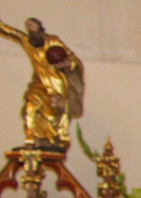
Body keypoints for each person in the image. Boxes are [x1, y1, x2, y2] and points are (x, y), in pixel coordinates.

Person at [0, 16, 83, 147]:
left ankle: (55, 139)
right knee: (30, 108)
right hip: (38, 83)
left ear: (39, 27)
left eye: (32, 25)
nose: (29, 29)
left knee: (53, 114)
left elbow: (72, 58)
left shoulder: (53, 41)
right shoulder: (27, 41)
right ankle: (32, 139)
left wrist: (69, 64)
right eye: (27, 26)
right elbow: (9, 32)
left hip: (56, 84)